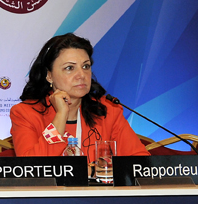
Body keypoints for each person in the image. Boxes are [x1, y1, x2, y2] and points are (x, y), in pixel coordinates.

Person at [10, 33, 148, 160]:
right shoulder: (25, 114)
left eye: (86, 66)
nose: (81, 75)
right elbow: (32, 167)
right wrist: (61, 115)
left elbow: (139, 162)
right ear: (49, 75)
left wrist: (99, 172)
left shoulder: (107, 110)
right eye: (70, 68)